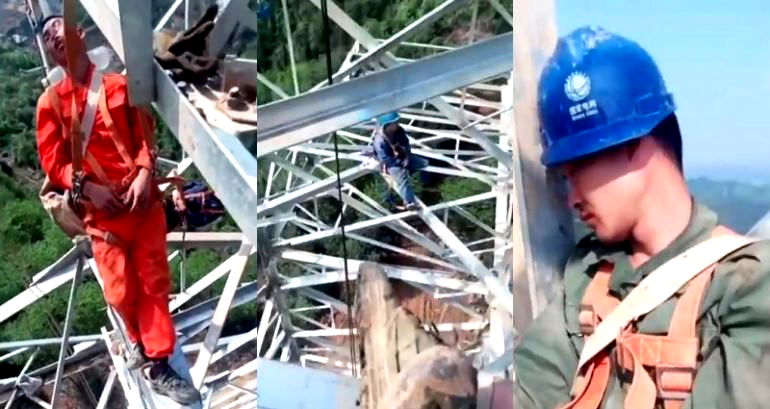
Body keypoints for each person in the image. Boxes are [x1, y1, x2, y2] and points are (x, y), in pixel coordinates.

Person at [512, 26, 770, 409]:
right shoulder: (587, 276)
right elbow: (532, 383)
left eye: (578, 169)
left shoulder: (745, 285)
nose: (571, 199)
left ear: (636, 144)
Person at [35, 12, 199, 404]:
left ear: (79, 33)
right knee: (121, 291)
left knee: (153, 282)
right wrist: (87, 188)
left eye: (59, 25)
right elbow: (53, 162)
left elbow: (145, 135)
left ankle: (157, 360)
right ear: (48, 51)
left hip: (139, 202)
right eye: (47, 34)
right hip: (102, 214)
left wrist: (145, 172)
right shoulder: (51, 104)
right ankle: (143, 342)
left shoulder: (117, 84)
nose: (55, 34)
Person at [372, 112, 431, 211]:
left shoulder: (399, 130)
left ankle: (426, 184)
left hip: (403, 157)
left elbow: (406, 143)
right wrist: (401, 163)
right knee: (402, 179)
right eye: (395, 122)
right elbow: (385, 159)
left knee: (424, 163)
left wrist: (407, 157)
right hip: (392, 163)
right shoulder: (379, 141)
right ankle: (409, 202)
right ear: (387, 125)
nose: (397, 123)